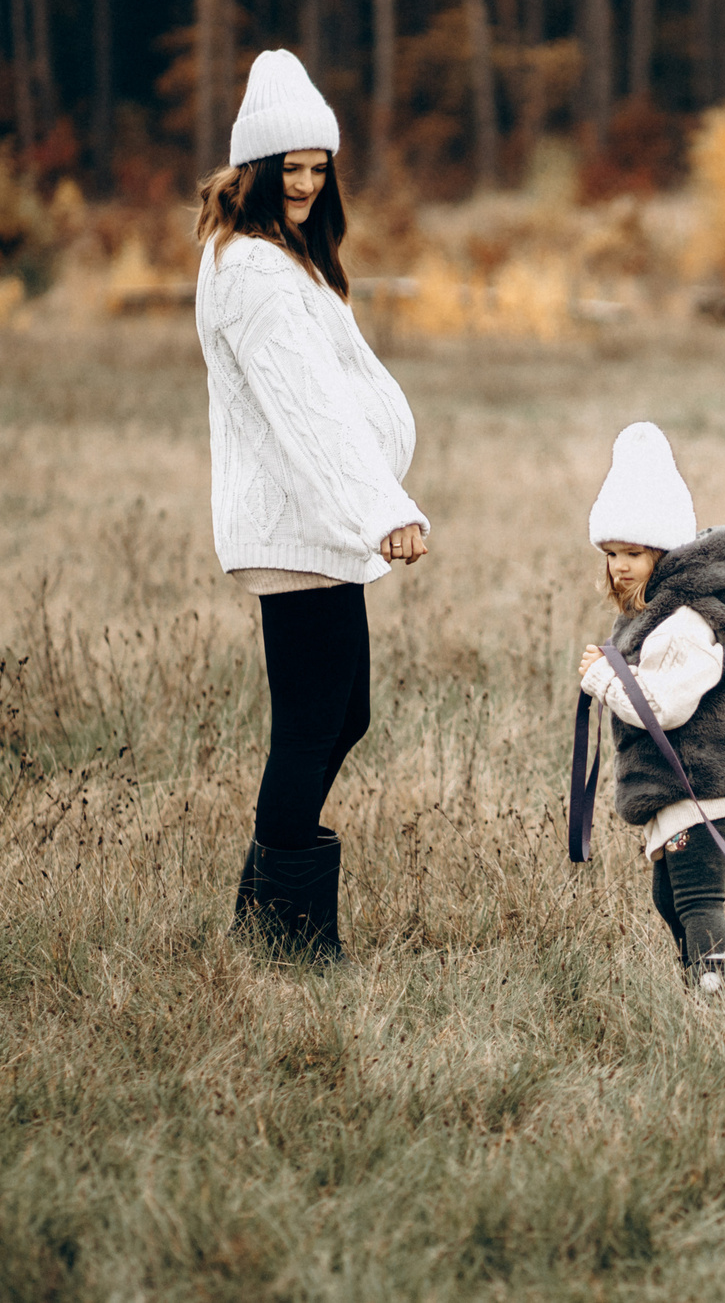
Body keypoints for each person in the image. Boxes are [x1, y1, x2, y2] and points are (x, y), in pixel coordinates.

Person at [194, 48, 430, 963]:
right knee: (311, 721)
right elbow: (310, 412)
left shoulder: (278, 255)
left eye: (315, 167)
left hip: (314, 524)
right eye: (286, 168)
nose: (302, 184)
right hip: (303, 522)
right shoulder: (253, 272)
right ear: (252, 169)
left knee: (343, 713)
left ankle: (263, 912)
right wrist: (382, 507)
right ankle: (287, 937)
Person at [578, 423, 725, 991]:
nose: (619, 565)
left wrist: (605, 680)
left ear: (664, 551)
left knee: (695, 895)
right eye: (611, 552)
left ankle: (716, 991)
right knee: (670, 896)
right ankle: (711, 973)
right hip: (685, 784)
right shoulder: (656, 612)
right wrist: (618, 667)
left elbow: (664, 707)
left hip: (705, 782)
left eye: (633, 552)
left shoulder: (689, 621)